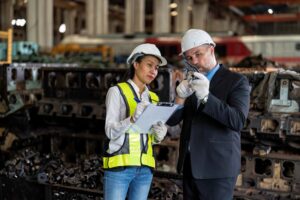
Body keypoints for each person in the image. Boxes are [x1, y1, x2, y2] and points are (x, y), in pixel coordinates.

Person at [167, 29, 250, 200]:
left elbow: (237, 121)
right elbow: (173, 120)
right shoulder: (192, 80)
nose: (195, 61)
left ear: (212, 49)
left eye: (198, 54)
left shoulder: (236, 81)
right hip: (190, 166)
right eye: (189, 58)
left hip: (217, 169)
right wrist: (179, 98)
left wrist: (206, 97)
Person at [103, 43, 168, 200]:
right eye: (149, 65)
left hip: (145, 170)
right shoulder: (117, 92)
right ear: (136, 64)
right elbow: (110, 131)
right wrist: (131, 119)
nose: (154, 71)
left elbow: (149, 138)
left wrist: (159, 135)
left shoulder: (153, 98)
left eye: (157, 67)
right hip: (120, 168)